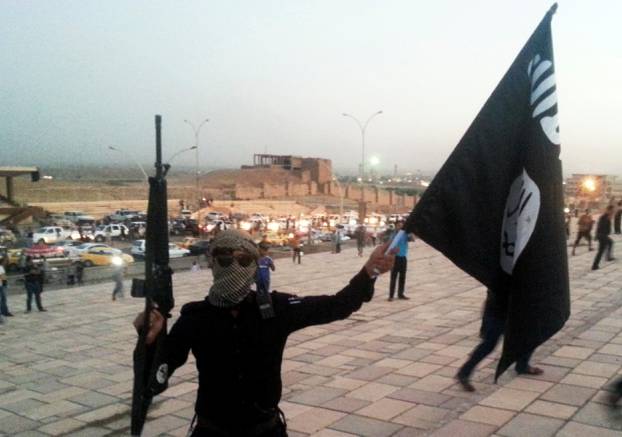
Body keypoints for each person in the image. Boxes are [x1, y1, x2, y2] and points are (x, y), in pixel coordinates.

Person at [133, 230, 395, 436]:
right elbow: (154, 380)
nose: (234, 266)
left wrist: (370, 271)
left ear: (253, 265)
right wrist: (149, 342)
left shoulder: (274, 309)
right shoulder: (195, 318)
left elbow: (338, 305)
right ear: (212, 262)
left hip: (264, 431)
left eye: (244, 260)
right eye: (225, 259)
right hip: (212, 431)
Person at [456, 289, 543, 392]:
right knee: (489, 344)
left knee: (529, 337)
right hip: (498, 312)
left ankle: (522, 365)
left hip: (514, 310)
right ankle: (464, 372)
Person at [388, 221, 411, 301]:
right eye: (399, 225)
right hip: (395, 258)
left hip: (403, 258)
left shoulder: (405, 234)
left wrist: (409, 232)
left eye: (402, 225)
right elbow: (390, 245)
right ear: (395, 226)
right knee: (393, 277)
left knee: (402, 277)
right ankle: (391, 296)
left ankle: (400, 294)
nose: (400, 227)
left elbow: (412, 239)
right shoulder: (393, 235)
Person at [592, 205, 615, 270]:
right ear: (608, 210)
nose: (612, 212)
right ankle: (595, 265)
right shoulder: (605, 217)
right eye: (612, 211)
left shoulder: (605, 216)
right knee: (601, 250)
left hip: (602, 235)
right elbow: (601, 227)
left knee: (608, 244)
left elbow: (600, 227)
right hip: (602, 236)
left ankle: (596, 265)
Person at [0, 255, 12, 322]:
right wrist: (6, 285)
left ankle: (4, 312)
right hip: (1, 286)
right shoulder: (1, 267)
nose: (7, 262)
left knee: (3, 299)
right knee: (3, 299)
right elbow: (3, 278)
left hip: (1, 285)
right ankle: (4, 313)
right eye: (6, 261)